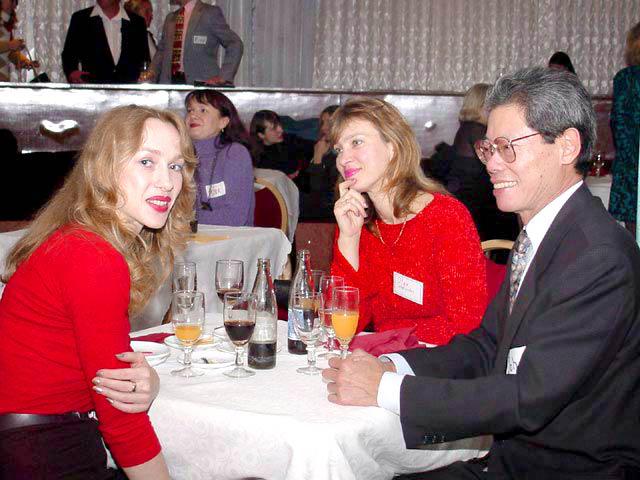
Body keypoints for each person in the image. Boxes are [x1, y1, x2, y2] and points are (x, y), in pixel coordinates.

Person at [323, 67, 640, 479]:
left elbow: (529, 396)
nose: (491, 163)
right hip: (513, 459)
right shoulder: (545, 236)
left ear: (566, 146)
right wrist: (393, 365)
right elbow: (485, 347)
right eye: (488, 148)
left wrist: (385, 388)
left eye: (507, 147)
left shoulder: (597, 256)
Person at [0, 105, 197, 478]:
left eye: (175, 166)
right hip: (43, 451)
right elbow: (121, 418)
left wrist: (150, 381)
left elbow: (98, 370)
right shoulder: (94, 256)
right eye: (146, 162)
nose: (167, 182)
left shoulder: (77, 238)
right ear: (106, 168)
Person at [329, 97, 487, 344]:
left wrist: (391, 337)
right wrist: (349, 239)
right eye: (339, 149)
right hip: (383, 356)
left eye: (356, 142)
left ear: (392, 148)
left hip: (437, 360)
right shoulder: (359, 223)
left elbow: (466, 324)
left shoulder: (445, 217)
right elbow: (342, 327)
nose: (343, 159)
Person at [428, 83, 519, 241]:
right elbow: (495, 162)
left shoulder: (467, 128)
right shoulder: (476, 130)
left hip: (467, 197)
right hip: (474, 202)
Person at [185, 89, 254, 226]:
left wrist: (183, 219)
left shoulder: (235, 154)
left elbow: (235, 217)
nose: (193, 115)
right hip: (188, 235)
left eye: (203, 110)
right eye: (190, 110)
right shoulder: (181, 155)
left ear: (223, 122)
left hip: (229, 237)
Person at [152, 0, 243, 86]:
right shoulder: (170, 18)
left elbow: (234, 43)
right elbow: (161, 52)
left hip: (200, 87)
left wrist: (224, 77)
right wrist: (150, 74)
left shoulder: (209, 13)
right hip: (170, 85)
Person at [62, 0, 149, 84]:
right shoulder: (81, 19)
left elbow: (144, 59)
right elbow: (69, 55)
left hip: (129, 91)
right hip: (93, 90)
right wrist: (72, 72)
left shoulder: (137, 23)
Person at [609, 21, 640, 235]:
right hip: (632, 165)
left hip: (631, 167)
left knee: (632, 235)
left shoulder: (625, 78)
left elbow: (618, 124)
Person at [250, 109, 315, 191]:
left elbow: (312, 147)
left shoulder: (288, 140)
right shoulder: (255, 157)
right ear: (261, 135)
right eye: (274, 128)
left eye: (279, 124)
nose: (281, 130)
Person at [302, 104, 340, 219]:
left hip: (331, 210)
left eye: (329, 123)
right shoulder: (323, 147)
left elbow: (318, 193)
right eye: (322, 123)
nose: (324, 128)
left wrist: (318, 158)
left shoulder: (342, 155)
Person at [0, 0, 38, 82]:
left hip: (3, 79)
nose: (13, 4)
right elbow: (7, 46)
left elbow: (8, 53)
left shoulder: (6, 22)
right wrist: (10, 45)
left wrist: (24, 61)